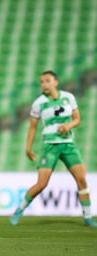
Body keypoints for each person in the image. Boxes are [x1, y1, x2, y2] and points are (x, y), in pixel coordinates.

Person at [10, 71, 97, 227]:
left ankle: (88, 218)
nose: (44, 84)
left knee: (82, 180)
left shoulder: (68, 97)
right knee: (42, 184)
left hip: (68, 144)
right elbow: (32, 127)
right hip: (50, 145)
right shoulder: (38, 103)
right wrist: (28, 148)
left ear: (55, 82)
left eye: (47, 81)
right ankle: (19, 210)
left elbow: (77, 119)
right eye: (42, 82)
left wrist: (68, 125)